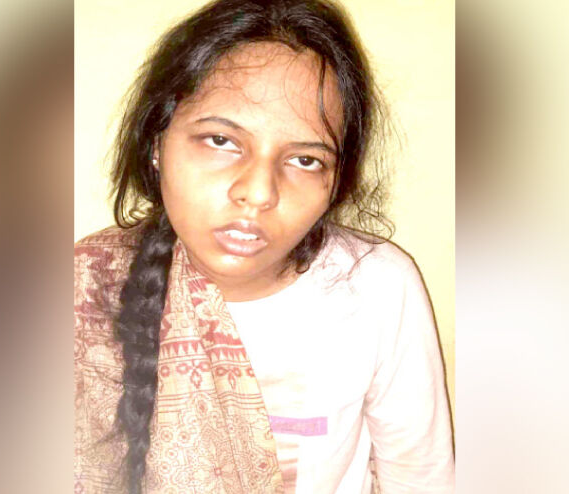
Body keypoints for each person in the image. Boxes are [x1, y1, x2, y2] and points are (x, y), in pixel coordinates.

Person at [74, 0, 454, 492]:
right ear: (156, 144)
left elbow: (420, 477)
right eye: (220, 140)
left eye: (305, 160)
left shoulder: (376, 286)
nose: (258, 192)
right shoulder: (85, 290)